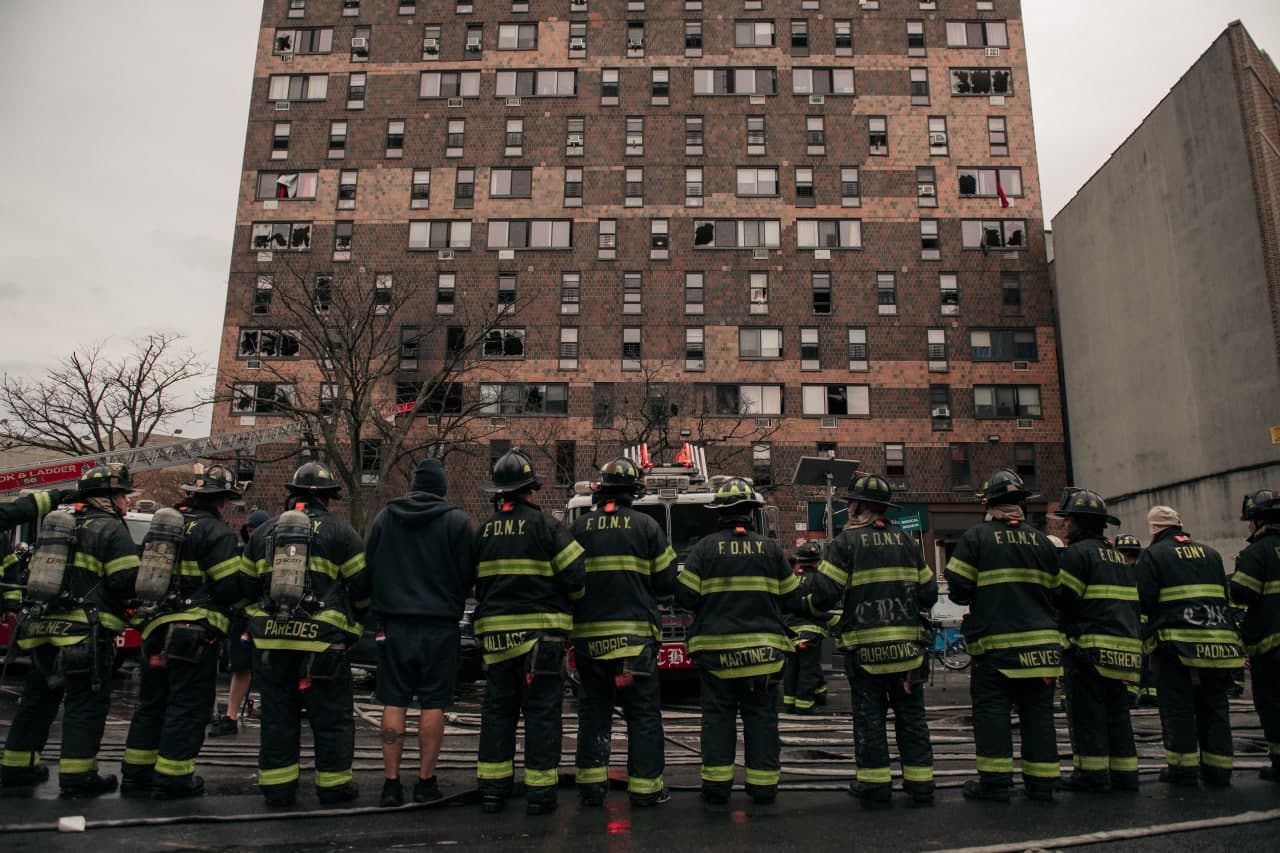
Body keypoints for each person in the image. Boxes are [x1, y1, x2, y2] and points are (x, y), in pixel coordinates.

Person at [0, 466, 139, 796]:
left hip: (43, 629)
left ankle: (16, 767)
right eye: (122, 495)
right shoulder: (111, 528)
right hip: (86, 633)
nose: (125, 503)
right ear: (107, 498)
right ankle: (79, 776)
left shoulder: (59, 527)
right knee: (84, 705)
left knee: (36, 700)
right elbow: (125, 581)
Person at [806, 474, 937, 806]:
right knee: (911, 718)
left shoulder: (846, 543)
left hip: (867, 652)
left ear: (860, 505)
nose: (848, 508)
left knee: (870, 717)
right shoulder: (907, 541)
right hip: (909, 651)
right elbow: (929, 593)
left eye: (851, 502)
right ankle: (920, 784)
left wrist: (804, 605)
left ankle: (875, 785)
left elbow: (823, 595)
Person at [245, 461, 370, 807]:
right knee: (331, 719)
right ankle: (333, 787)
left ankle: (277, 789)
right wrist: (353, 626)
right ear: (328, 498)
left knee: (277, 718)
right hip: (323, 645)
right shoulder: (341, 533)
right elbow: (361, 588)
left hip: (271, 643)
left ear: (292, 494)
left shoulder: (263, 532)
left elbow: (243, 588)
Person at [120, 466, 249, 799]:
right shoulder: (217, 533)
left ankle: (136, 775)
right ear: (222, 500)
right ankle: (173, 778)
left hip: (155, 630)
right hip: (194, 634)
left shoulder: (162, 530)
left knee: (151, 703)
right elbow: (226, 588)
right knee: (187, 706)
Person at [472, 450, 585, 815]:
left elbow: (471, 582)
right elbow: (576, 578)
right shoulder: (548, 527)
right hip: (542, 640)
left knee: (497, 713)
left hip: (496, 640)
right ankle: (539, 794)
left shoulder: (484, 531)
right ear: (530, 491)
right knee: (541, 714)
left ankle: (492, 790)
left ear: (499, 492)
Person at [675, 477, 800, 807]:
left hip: (717, 657)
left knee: (718, 720)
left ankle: (716, 789)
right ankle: (763, 788)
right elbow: (792, 598)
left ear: (720, 513)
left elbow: (686, 597)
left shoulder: (703, 549)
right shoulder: (772, 549)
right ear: (751, 513)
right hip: (764, 657)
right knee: (761, 720)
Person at [945, 468, 1062, 803]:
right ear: (1021, 504)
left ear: (989, 503)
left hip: (997, 647)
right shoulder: (1042, 542)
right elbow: (1057, 591)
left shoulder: (976, 538)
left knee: (993, 713)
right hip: (1042, 649)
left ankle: (996, 784)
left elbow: (959, 590)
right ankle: (1042, 784)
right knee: (1038, 715)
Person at [365, 458, 476, 807]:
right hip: (439, 627)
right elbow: (468, 575)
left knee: (393, 701)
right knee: (434, 704)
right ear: (441, 488)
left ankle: (391, 783)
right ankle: (426, 781)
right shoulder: (457, 522)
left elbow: (368, 565)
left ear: (413, 486)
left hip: (394, 624)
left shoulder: (385, 518)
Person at [570, 457, 677, 808]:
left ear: (600, 490)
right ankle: (646, 791)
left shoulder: (579, 529)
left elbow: (567, 583)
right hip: (635, 645)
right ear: (635, 492)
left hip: (590, 644)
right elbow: (665, 584)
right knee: (643, 715)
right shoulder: (647, 527)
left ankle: (591, 788)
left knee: (594, 713)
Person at [1138, 505, 1242, 787]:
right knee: (1215, 707)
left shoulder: (1153, 555)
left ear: (1153, 529)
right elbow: (1223, 595)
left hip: (1176, 647)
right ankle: (1219, 770)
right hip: (1218, 644)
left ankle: (1182, 770)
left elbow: (1145, 600)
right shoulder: (1211, 554)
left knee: (1178, 708)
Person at [1053, 489, 1140, 793]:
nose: (1065, 527)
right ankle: (1125, 773)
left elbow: (1064, 597)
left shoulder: (1078, 555)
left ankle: (1091, 774)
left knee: (1087, 713)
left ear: (1079, 522)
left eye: (1068, 522)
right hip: (1123, 648)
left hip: (1087, 649)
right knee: (1117, 712)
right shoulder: (1117, 556)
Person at [1230, 489, 1280, 782]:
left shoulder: (1256, 552)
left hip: (1272, 647)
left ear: (1258, 520)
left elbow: (1242, 592)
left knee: (1273, 704)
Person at [210, 508, 269, 737]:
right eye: (250, 529)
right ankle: (231, 716)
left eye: (256, 529)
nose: (252, 533)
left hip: (261, 619)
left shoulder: (264, 553)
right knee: (240, 668)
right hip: (244, 618)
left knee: (268, 669)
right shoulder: (241, 552)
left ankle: (268, 710)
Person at [781, 541, 831, 715]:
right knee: (808, 668)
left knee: (792, 667)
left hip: (790, 632)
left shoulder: (791, 579)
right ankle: (804, 705)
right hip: (811, 632)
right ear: (817, 561)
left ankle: (789, 702)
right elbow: (825, 602)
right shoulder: (819, 579)